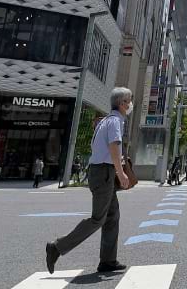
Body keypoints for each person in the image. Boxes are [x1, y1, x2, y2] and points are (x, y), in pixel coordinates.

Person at [45, 87, 133, 275]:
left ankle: (108, 260)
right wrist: (121, 173)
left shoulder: (107, 120)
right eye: (129, 100)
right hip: (104, 172)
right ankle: (57, 247)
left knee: (112, 215)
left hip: (101, 171)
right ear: (122, 103)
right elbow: (114, 147)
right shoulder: (115, 121)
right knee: (98, 218)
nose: (130, 104)